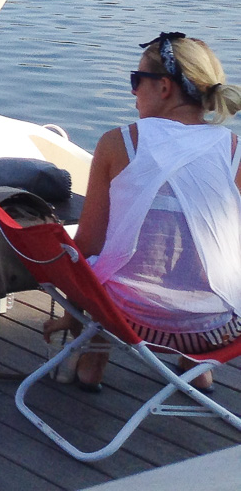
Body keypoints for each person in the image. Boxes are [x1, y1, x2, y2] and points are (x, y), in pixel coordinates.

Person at [42, 32, 241, 391]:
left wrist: (73, 313)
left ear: (164, 87)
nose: (133, 91)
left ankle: (94, 353)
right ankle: (197, 365)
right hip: (219, 326)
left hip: (129, 321)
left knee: (101, 261)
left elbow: (87, 243)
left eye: (137, 81)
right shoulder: (235, 149)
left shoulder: (120, 142)